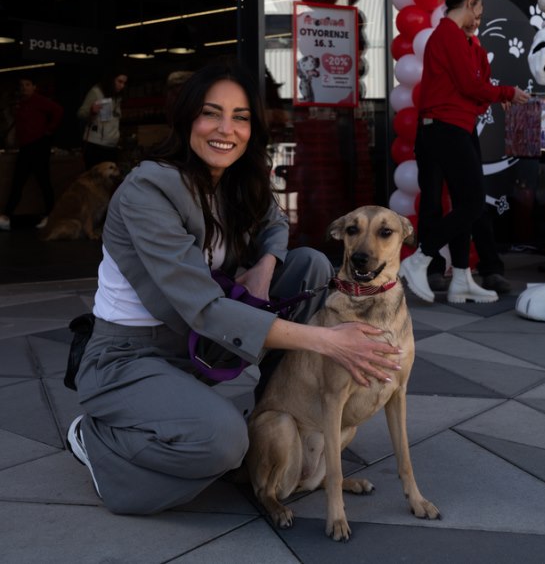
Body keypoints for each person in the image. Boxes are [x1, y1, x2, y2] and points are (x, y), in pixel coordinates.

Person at [66, 62, 402, 516]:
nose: (227, 129)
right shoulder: (147, 190)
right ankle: (96, 439)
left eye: (240, 117)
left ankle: (272, 416)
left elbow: (275, 221)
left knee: (309, 265)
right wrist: (330, 341)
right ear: (187, 119)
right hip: (130, 356)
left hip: (197, 347)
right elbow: (204, 310)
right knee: (223, 445)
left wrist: (265, 264)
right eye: (211, 114)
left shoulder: (233, 178)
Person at [399, 0, 530, 305]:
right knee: (471, 203)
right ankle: (419, 260)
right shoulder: (447, 36)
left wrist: (477, 46)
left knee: (466, 203)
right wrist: (506, 92)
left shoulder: (461, 39)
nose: (480, 19)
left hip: (455, 125)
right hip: (446, 127)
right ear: (469, 4)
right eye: (479, 11)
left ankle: (461, 279)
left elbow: (476, 82)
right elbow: (473, 87)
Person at [0, 76, 63, 231]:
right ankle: (7, 215)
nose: (24, 88)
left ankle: (50, 214)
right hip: (26, 146)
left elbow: (58, 110)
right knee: (18, 181)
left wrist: (48, 130)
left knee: (43, 181)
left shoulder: (39, 101)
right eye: (22, 85)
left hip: (38, 146)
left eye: (27, 85)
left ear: (34, 87)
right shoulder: (20, 104)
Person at [78, 71, 128, 169]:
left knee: (109, 180)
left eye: (124, 83)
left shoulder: (117, 97)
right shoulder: (96, 92)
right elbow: (81, 113)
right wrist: (91, 111)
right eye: (119, 81)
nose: (122, 86)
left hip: (112, 144)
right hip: (95, 145)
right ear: (111, 79)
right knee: (94, 180)